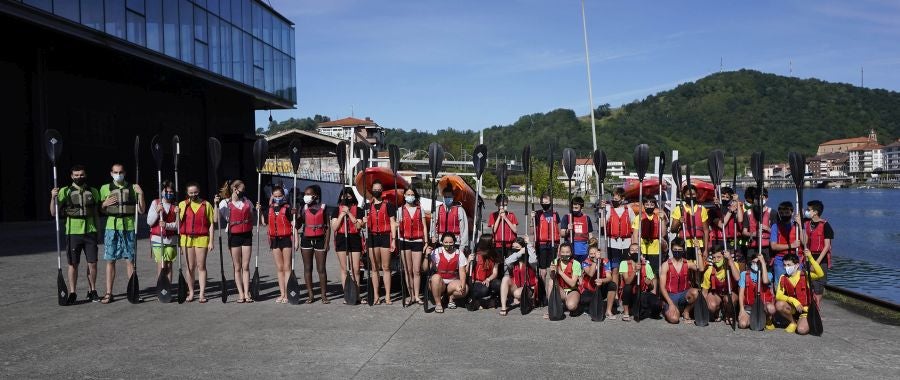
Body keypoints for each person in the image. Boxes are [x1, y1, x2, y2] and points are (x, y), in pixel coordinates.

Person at [50, 164, 101, 303]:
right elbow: (53, 212)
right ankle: (72, 292)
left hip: (90, 232)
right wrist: (53, 197)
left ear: (85, 175)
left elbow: (96, 213)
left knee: (93, 263)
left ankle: (92, 291)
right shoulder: (65, 191)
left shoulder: (93, 191)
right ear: (72, 176)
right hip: (73, 232)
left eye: (82, 175)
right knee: (73, 264)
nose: (79, 177)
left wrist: (99, 231)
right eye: (76, 175)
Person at [98, 163, 145, 304]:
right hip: (112, 228)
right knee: (110, 260)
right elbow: (101, 210)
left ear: (124, 172)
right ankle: (108, 293)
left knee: (130, 260)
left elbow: (142, 210)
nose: (118, 174)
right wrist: (104, 204)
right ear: (111, 173)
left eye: (120, 172)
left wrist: (141, 194)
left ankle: (133, 291)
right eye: (115, 172)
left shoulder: (133, 188)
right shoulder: (105, 188)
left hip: (129, 227)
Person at [216, 180, 258, 303]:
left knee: (245, 266)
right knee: (237, 266)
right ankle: (240, 293)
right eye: (242, 189)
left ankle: (246, 293)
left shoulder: (247, 201)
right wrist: (215, 204)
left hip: (246, 235)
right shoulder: (225, 203)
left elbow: (253, 216)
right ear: (235, 189)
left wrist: (257, 210)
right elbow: (215, 218)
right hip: (233, 236)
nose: (243, 192)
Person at [178, 182, 215, 303]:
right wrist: (176, 213)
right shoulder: (182, 205)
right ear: (187, 193)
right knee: (190, 267)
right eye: (191, 193)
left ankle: (202, 293)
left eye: (195, 192)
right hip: (187, 239)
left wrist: (211, 241)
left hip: (202, 238)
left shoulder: (206, 205)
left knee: (201, 266)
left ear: (198, 192)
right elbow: (178, 224)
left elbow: (211, 224)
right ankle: (191, 292)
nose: (193, 194)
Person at [775, 250, 825, 334]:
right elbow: (778, 296)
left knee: (801, 330)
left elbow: (820, 274)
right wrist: (794, 301)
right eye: (784, 265)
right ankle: (792, 322)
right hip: (793, 308)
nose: (786, 267)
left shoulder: (805, 274)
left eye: (789, 265)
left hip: (805, 310)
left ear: (797, 265)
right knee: (779, 305)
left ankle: (804, 321)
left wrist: (810, 257)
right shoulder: (783, 277)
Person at [364, 180, 397, 305]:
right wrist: (363, 221)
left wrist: (393, 240)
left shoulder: (388, 205)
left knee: (386, 267)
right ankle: (376, 295)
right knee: (374, 268)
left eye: (379, 189)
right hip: (372, 237)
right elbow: (361, 225)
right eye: (375, 189)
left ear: (382, 191)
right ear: (371, 190)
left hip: (385, 237)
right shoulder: (368, 206)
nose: (376, 191)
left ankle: (388, 296)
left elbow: (393, 223)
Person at [295, 184, 330, 304]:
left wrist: (327, 243)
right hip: (306, 240)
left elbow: (328, 227)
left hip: (320, 240)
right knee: (307, 268)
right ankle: (310, 295)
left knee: (321, 269)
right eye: (305, 194)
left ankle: (323, 295)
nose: (306, 196)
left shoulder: (323, 207)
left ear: (315, 195)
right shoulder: (303, 208)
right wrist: (295, 216)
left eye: (308, 194)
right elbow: (298, 225)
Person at [659, 238, 702, 324]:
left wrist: (698, 250)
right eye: (675, 250)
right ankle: (667, 306)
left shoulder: (687, 263)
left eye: (679, 250)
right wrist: (670, 303)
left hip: (684, 294)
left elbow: (701, 268)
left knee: (697, 292)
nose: (677, 252)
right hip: (670, 296)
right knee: (674, 319)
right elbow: (662, 288)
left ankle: (686, 311)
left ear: (683, 250)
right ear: (671, 250)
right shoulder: (665, 265)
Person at [332, 187, 364, 304]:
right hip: (341, 239)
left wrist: (349, 213)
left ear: (352, 197)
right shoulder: (336, 210)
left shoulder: (359, 210)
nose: (346, 198)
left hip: (354, 238)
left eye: (349, 196)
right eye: (344, 196)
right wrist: (342, 214)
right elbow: (334, 227)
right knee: (344, 269)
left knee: (355, 269)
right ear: (341, 197)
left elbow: (359, 226)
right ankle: (347, 294)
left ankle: (357, 294)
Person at [262, 185, 294, 304]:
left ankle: (288, 293)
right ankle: (282, 293)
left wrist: (296, 238)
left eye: (279, 196)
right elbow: (264, 222)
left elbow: (293, 224)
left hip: (286, 238)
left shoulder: (288, 208)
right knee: (279, 268)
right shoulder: (269, 209)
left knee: (287, 267)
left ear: (283, 196)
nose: (277, 198)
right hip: (274, 239)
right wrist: (261, 209)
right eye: (275, 196)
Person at [601, 187, 631, 308]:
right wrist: (602, 211)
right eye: (613, 196)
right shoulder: (608, 208)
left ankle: (624, 293)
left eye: (617, 196)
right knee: (615, 269)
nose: (614, 198)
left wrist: (634, 245)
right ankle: (615, 295)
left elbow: (634, 228)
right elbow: (603, 225)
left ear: (622, 198)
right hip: (613, 243)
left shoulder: (628, 210)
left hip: (626, 243)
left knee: (624, 270)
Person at [397, 187, 428, 306]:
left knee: (416, 271)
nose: (410, 196)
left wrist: (426, 242)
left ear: (415, 196)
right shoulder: (400, 210)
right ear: (404, 195)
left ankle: (416, 296)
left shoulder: (420, 210)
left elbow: (424, 226)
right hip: (404, 241)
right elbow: (396, 225)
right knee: (408, 270)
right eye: (408, 194)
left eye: (412, 194)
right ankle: (410, 296)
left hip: (417, 241)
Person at [147, 180, 178, 292]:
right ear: (162, 192)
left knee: (169, 265)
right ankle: (161, 288)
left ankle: (168, 288)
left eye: (171, 192)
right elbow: (150, 222)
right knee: (162, 265)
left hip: (171, 240)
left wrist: (167, 225)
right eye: (167, 191)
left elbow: (178, 226)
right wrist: (157, 211)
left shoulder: (176, 207)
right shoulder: (156, 203)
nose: (169, 193)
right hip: (157, 238)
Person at [426, 232, 469, 313]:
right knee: (435, 278)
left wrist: (463, 285)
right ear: (442, 242)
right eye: (446, 242)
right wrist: (426, 256)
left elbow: (462, 272)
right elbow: (425, 268)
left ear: (454, 242)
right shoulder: (436, 252)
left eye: (450, 242)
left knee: (465, 289)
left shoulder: (459, 253)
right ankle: (438, 303)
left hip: (452, 283)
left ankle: (450, 297)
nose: (448, 244)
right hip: (439, 283)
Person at [804, 200, 833, 311]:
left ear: (815, 212)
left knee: (819, 284)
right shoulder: (806, 223)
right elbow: (804, 241)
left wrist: (816, 262)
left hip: (821, 257)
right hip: (808, 256)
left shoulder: (825, 225)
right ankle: (810, 306)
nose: (807, 211)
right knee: (809, 282)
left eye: (808, 210)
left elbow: (827, 247)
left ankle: (817, 307)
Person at [670, 184, 709, 264]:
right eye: (688, 194)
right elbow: (673, 230)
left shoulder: (702, 209)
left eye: (693, 194)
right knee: (686, 268)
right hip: (684, 244)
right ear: (684, 196)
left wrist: (705, 250)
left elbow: (706, 231)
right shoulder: (679, 209)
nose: (691, 196)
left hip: (698, 244)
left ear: (696, 195)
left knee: (699, 268)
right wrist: (679, 222)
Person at [533, 192, 561, 304]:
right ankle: (542, 295)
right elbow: (532, 231)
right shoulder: (537, 214)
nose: (545, 204)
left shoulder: (555, 214)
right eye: (543, 202)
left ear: (551, 202)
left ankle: (553, 294)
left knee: (553, 270)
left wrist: (559, 246)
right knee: (543, 272)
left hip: (553, 244)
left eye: (547, 202)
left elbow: (559, 231)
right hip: (542, 244)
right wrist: (532, 220)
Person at [499, 236, 538, 316]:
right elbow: (507, 262)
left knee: (517, 293)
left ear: (523, 248)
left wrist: (529, 244)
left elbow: (534, 260)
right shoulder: (513, 259)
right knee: (505, 278)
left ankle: (528, 300)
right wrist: (519, 253)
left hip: (528, 287)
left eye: (517, 247)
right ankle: (503, 307)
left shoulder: (529, 260)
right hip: (516, 286)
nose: (514, 249)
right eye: (513, 247)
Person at [769, 201, 804, 289]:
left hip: (796, 259)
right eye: (781, 213)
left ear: (792, 213)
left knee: (797, 285)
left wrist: (800, 225)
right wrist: (791, 245)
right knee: (779, 286)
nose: (784, 215)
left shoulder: (797, 225)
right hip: (781, 260)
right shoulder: (775, 226)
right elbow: (773, 246)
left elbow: (805, 242)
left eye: (786, 212)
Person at [700, 248, 740, 323]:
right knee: (711, 305)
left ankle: (728, 314)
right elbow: (704, 293)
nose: (716, 260)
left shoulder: (733, 265)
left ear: (724, 257)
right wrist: (702, 310)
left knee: (729, 299)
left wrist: (730, 260)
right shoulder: (709, 271)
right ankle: (717, 312)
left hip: (730, 293)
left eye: (719, 257)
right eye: (714, 258)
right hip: (717, 294)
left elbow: (737, 278)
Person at [631, 195, 667, 280]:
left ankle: (654, 291)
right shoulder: (638, 218)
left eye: (651, 204)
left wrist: (663, 220)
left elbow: (663, 234)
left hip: (656, 250)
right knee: (643, 272)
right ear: (644, 206)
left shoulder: (659, 217)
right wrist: (637, 251)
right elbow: (635, 235)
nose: (649, 206)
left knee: (655, 273)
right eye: (647, 204)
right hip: (643, 249)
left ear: (655, 206)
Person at [579, 239, 616, 319]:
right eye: (591, 254)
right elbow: (591, 274)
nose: (593, 255)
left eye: (595, 253)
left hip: (601, 287)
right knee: (586, 299)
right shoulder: (585, 262)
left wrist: (602, 281)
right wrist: (595, 261)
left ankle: (608, 310)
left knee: (612, 285)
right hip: (589, 290)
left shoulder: (605, 261)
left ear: (598, 253)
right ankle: (588, 306)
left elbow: (609, 277)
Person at [737, 252, 776, 330]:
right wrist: (741, 310)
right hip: (749, 307)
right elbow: (741, 294)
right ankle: (752, 318)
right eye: (753, 262)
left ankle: (767, 318)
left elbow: (765, 281)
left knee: (771, 308)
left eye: (758, 263)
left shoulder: (768, 274)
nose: (755, 265)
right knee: (742, 324)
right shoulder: (744, 274)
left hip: (764, 306)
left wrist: (763, 264)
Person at [619, 243, 656, 321]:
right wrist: (634, 271)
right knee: (627, 287)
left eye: (637, 250)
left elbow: (652, 287)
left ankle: (643, 309)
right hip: (629, 294)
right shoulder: (624, 263)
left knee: (657, 305)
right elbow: (627, 282)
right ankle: (626, 312)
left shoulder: (646, 265)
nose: (635, 251)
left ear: (640, 253)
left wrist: (649, 284)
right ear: (629, 253)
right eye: (632, 250)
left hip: (641, 293)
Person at [544, 243, 582, 319]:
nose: (565, 254)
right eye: (563, 252)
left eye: (567, 252)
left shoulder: (576, 264)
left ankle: (572, 304)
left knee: (571, 306)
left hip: (572, 290)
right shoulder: (555, 262)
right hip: (561, 291)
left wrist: (560, 272)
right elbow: (553, 277)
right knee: (551, 281)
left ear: (571, 252)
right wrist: (552, 272)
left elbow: (572, 284)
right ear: (560, 252)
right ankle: (551, 309)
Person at [709, 187, 744, 264]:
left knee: (734, 264)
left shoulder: (733, 208)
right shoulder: (713, 211)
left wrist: (737, 202)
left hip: (732, 242)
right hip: (719, 242)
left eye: (727, 197)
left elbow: (740, 220)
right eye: (723, 196)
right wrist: (730, 211)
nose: (725, 198)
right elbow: (722, 225)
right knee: (719, 264)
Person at [431, 185, 469, 249]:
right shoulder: (438, 209)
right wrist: (433, 236)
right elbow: (433, 225)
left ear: (453, 197)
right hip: (440, 241)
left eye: (449, 197)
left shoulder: (460, 210)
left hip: (455, 242)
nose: (447, 198)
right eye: (446, 197)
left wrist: (463, 246)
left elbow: (464, 229)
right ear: (443, 197)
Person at [467, 237, 500, 310]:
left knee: (498, 284)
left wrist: (488, 279)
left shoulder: (494, 255)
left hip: (488, 280)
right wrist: (468, 262)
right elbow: (466, 272)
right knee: (483, 290)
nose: (494, 243)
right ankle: (477, 300)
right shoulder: (475, 256)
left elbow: (495, 273)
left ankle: (491, 300)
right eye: (492, 242)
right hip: (476, 282)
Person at [742, 187, 771, 264]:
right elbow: (744, 232)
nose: (759, 200)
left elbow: (777, 232)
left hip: (766, 247)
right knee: (751, 269)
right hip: (752, 248)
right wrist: (754, 234)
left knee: (766, 269)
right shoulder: (747, 213)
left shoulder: (772, 212)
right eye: (756, 198)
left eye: (762, 198)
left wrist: (767, 228)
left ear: (766, 198)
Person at [560, 196, 593, 262]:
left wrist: (592, 247)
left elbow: (590, 235)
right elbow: (562, 234)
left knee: (583, 270)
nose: (574, 210)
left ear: (581, 208)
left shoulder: (587, 218)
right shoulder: (566, 217)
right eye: (572, 208)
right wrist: (568, 230)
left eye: (576, 208)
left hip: (584, 251)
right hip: (571, 249)